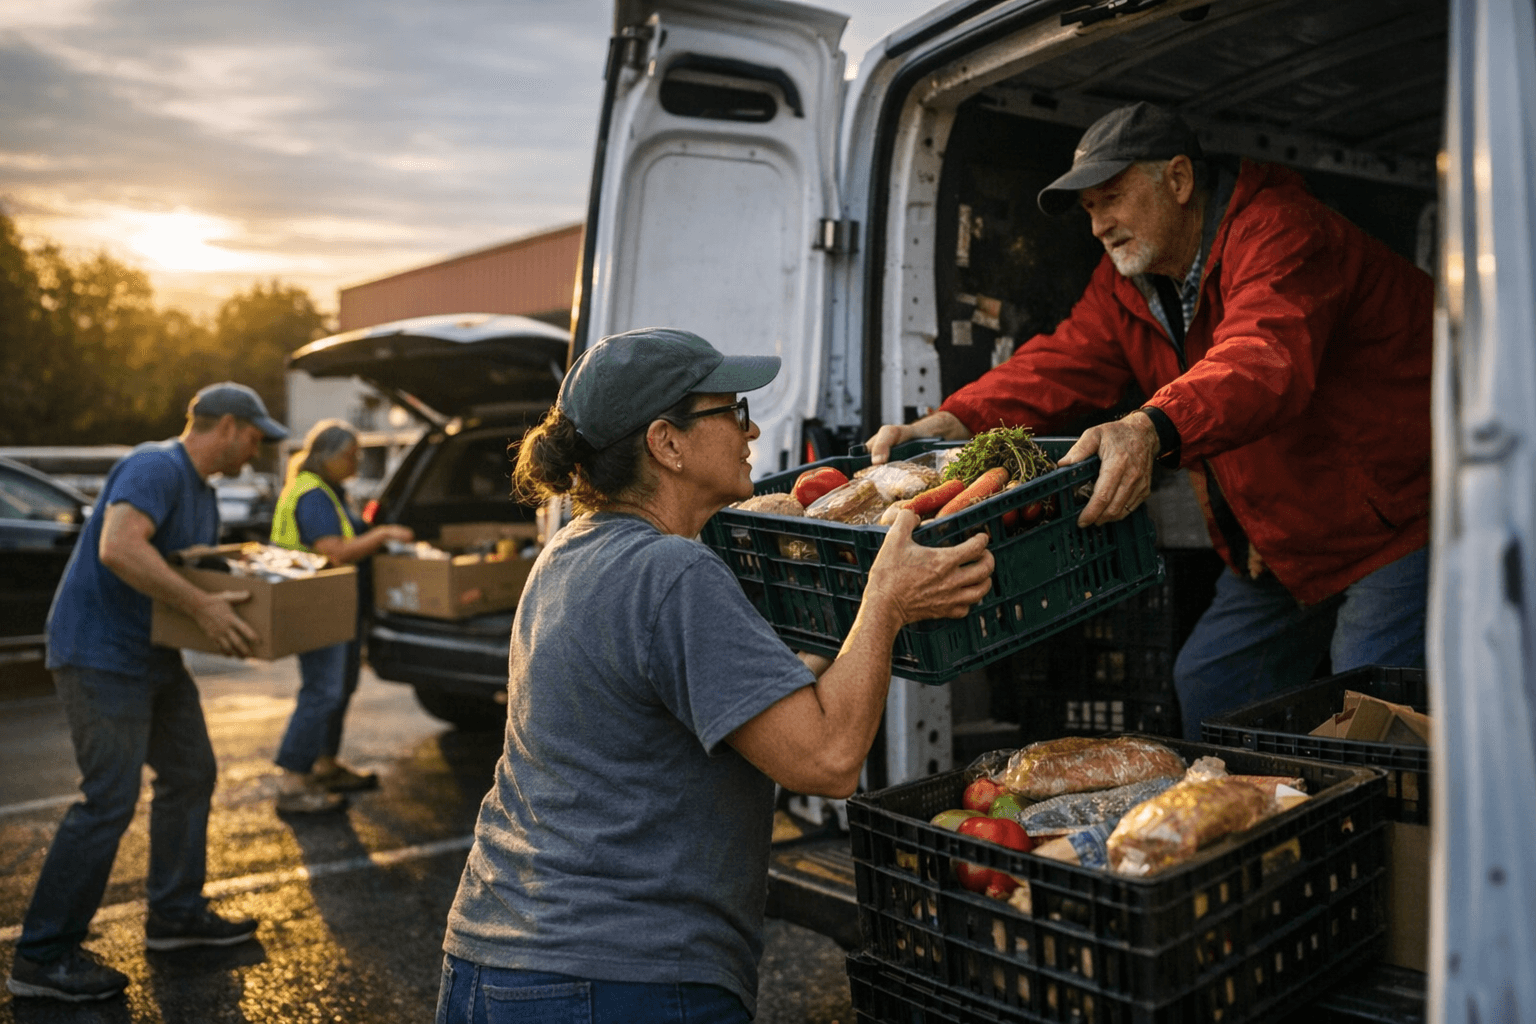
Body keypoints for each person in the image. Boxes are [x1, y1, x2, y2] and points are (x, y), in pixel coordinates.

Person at [435, 327, 994, 1024]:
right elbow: (825, 759)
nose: (751, 426)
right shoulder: (673, 573)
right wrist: (886, 605)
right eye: (731, 411)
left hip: (495, 962)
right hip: (616, 982)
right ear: (666, 443)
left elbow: (759, 691)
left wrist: (864, 605)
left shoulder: (570, 554)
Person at [868, 102, 1432, 739]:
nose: (1099, 226)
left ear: (1180, 181)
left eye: (1112, 197)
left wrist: (1149, 426)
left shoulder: (1281, 231)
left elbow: (1263, 357)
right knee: (1212, 684)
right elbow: (1061, 360)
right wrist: (954, 419)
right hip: (1284, 539)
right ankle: (1261, 825)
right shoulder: (1127, 285)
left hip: (1394, 525)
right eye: (1088, 210)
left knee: (1373, 720)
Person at [8, 382, 286, 1003]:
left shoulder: (203, 494)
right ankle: (42, 956)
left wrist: (246, 582)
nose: (258, 451)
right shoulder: (155, 465)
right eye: (255, 437)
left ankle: (174, 919)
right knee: (108, 797)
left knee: (190, 772)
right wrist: (205, 609)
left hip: (151, 655)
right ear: (229, 427)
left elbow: (183, 563)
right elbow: (118, 546)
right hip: (100, 653)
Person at [268, 419, 414, 814]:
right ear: (327, 455)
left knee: (339, 687)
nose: (356, 461)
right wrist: (382, 536)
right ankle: (294, 781)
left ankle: (325, 763)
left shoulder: (327, 491)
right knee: (323, 691)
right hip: (318, 607)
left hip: (335, 607)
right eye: (351, 455)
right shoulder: (313, 494)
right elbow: (335, 551)